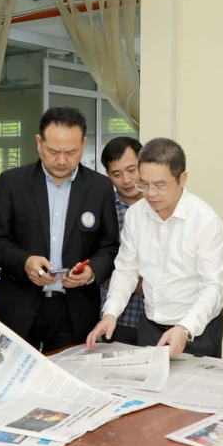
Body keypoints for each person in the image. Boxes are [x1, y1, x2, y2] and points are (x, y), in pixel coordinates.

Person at [0, 107, 119, 353]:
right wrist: (25, 262)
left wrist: (90, 272)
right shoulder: (12, 182)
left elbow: (110, 246)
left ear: (84, 144)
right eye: (53, 151)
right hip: (20, 307)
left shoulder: (100, 188)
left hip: (74, 310)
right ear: (39, 143)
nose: (61, 160)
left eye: (71, 152)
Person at [87, 138, 223, 358]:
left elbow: (213, 288)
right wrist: (111, 313)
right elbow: (126, 270)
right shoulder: (136, 215)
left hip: (195, 330)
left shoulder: (205, 221)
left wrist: (185, 328)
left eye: (160, 185)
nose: (150, 193)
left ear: (182, 179)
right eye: (144, 184)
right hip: (150, 327)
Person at [98, 136, 146, 345]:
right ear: (108, 175)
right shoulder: (103, 211)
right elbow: (99, 260)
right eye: (117, 174)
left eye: (132, 170)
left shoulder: (162, 207)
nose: (126, 180)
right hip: (120, 317)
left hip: (165, 317)